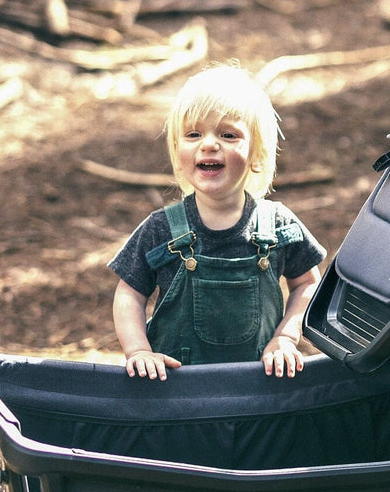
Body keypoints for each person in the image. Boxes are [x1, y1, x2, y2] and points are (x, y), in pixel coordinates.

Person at [110, 63, 326, 380]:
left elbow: (308, 284)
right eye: (194, 134)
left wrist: (285, 337)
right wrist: (139, 350)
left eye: (228, 134)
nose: (209, 144)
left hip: (257, 392)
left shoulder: (276, 224)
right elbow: (129, 293)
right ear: (177, 151)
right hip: (177, 395)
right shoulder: (161, 228)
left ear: (257, 154)